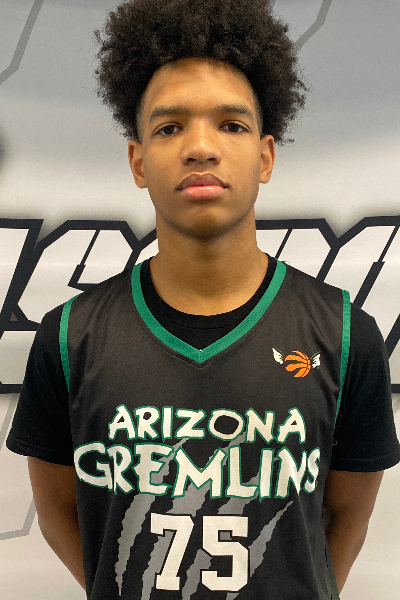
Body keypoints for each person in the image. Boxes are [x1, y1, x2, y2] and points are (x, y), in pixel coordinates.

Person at [6, 0, 400, 599]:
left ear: (265, 157)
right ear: (138, 160)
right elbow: (63, 514)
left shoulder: (345, 334)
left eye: (231, 125)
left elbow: (344, 522)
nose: (200, 148)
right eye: (169, 127)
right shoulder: (68, 337)